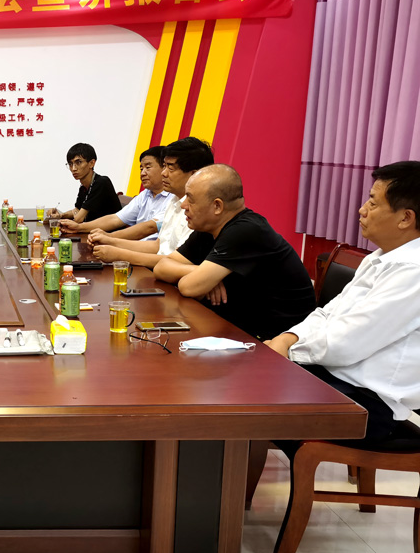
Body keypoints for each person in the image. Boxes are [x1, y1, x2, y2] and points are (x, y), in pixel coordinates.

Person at [265, 161, 420, 441]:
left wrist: (287, 349)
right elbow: (327, 314)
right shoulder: (380, 257)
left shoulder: (413, 271)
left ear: (405, 218)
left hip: (368, 403)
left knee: (247, 396)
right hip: (333, 378)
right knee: (244, 377)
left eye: (373, 203)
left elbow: (349, 341)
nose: (362, 210)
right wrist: (287, 339)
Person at [154, 164, 316, 340]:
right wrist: (197, 271)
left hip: (275, 340)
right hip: (235, 325)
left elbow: (188, 287)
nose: (183, 205)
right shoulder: (209, 226)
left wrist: (198, 277)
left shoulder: (246, 230)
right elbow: (161, 267)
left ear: (217, 206)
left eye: (190, 199)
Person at [87, 136, 214, 268]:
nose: (163, 173)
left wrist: (119, 254)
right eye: (164, 166)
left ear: (194, 175)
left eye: (170, 168)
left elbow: (176, 260)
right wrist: (109, 241)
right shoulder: (174, 200)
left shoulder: (200, 211)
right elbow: (158, 245)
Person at [59, 146, 169, 239]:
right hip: (131, 244)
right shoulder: (145, 194)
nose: (142, 173)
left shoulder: (174, 198)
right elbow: (115, 218)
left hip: (149, 251)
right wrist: (76, 226)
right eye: (141, 168)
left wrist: (108, 237)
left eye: (148, 167)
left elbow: (149, 227)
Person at [48, 143, 120, 223]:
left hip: (111, 230)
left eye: (78, 162)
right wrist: (60, 215)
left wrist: (61, 221)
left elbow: (79, 219)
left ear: (91, 163)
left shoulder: (101, 182)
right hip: (94, 229)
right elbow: (77, 210)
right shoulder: (83, 186)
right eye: (70, 164)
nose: (73, 168)